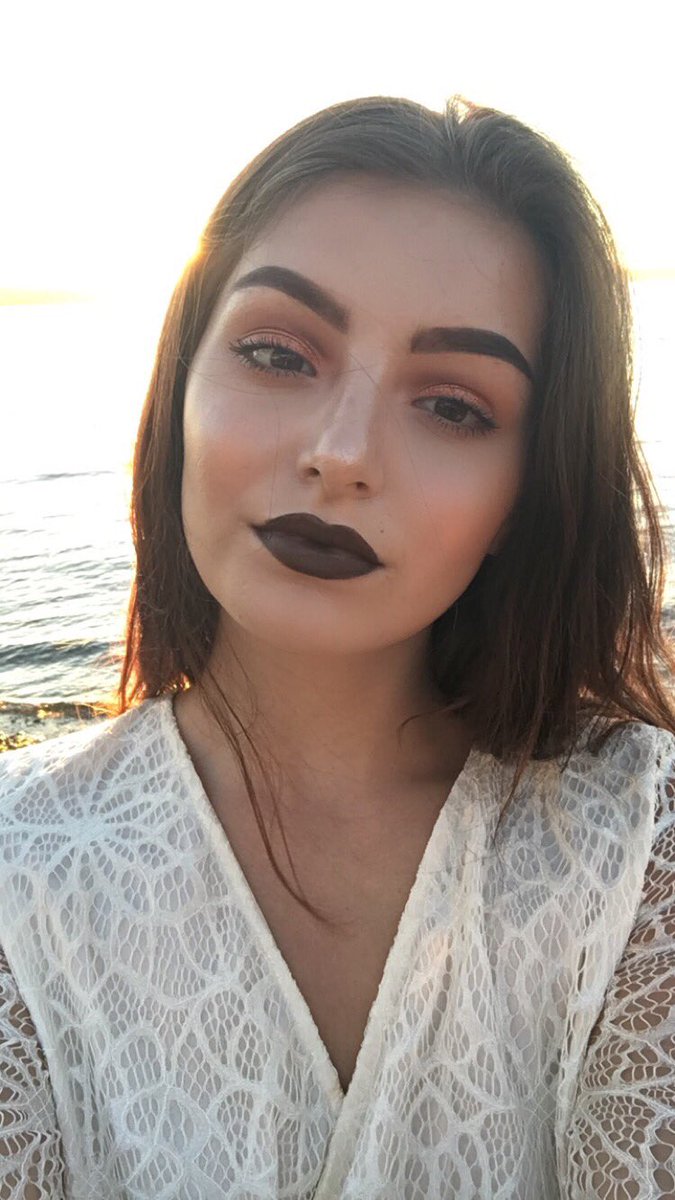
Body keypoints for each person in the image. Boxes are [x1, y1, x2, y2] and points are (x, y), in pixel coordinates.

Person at [0, 94, 673, 1200]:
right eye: (277, 352)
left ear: (527, 492)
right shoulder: (21, 868)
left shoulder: (636, 844)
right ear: (179, 382)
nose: (341, 451)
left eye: (452, 407)